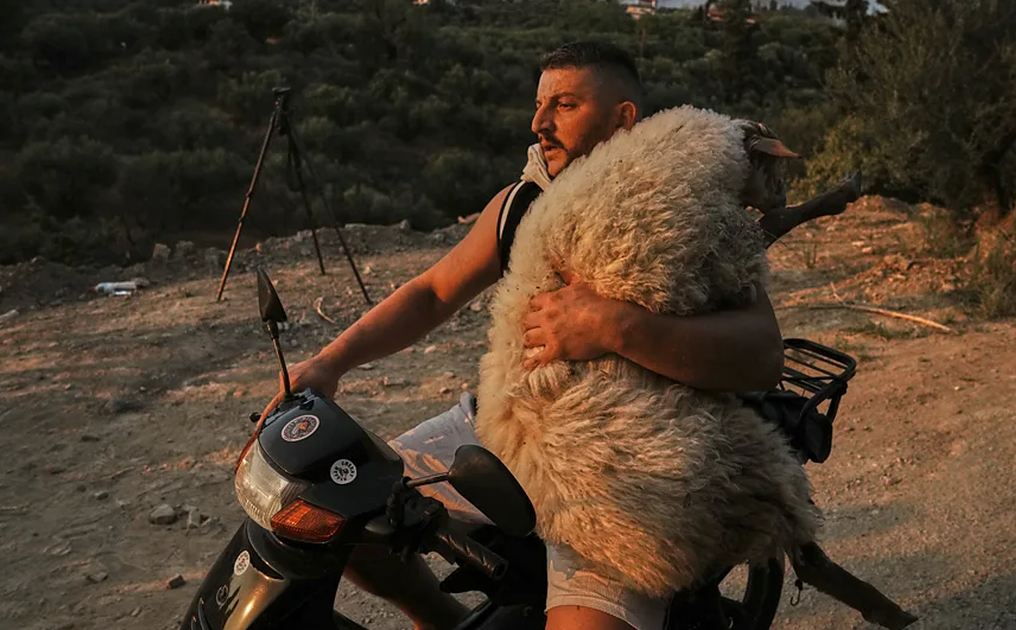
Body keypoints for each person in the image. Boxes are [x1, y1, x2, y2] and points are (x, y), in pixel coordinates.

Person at [264, 41, 785, 630]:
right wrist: (330, 362)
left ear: (623, 118)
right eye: (539, 105)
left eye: (565, 104)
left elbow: (763, 353)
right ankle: (442, 620)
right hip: (505, 423)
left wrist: (615, 326)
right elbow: (433, 292)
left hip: (616, 459)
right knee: (335, 507)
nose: (540, 123)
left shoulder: (679, 206)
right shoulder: (524, 203)